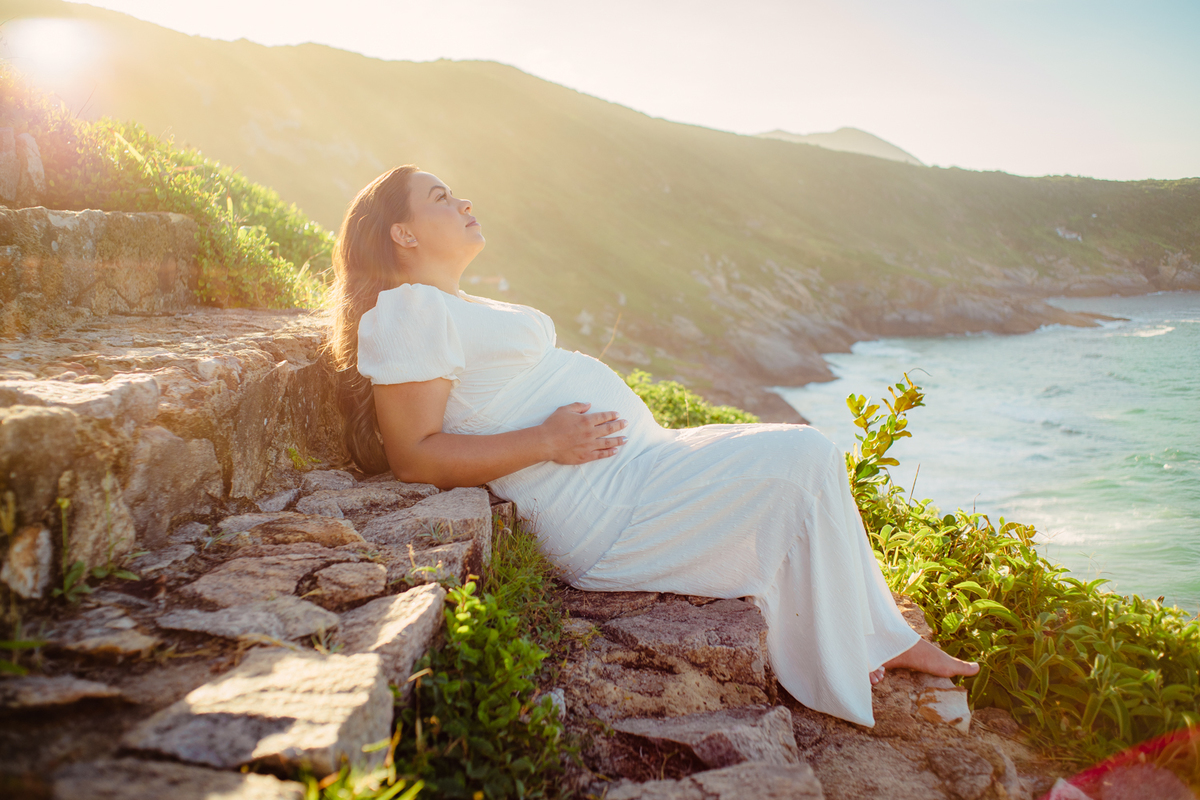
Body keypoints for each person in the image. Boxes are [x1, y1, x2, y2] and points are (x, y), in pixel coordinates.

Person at [324, 165, 979, 728]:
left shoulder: (451, 303)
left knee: (807, 456)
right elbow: (414, 453)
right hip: (609, 513)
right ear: (403, 233)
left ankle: (866, 637)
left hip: (641, 470)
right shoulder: (409, 310)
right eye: (440, 197)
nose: (464, 202)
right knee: (803, 457)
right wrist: (547, 440)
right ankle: (858, 647)